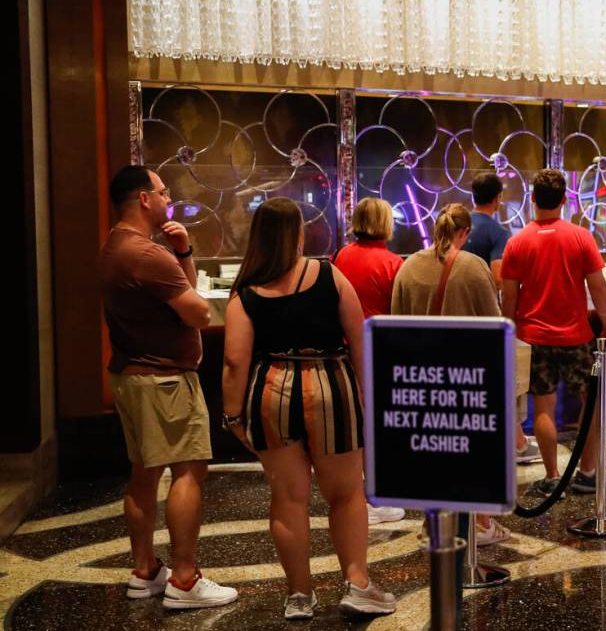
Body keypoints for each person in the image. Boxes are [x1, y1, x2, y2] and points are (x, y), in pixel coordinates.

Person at [221, 198, 396, 620]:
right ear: (297, 233)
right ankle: (356, 584)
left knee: (288, 499)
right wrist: (368, 401)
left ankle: (299, 596)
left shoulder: (245, 293)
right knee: (346, 493)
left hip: (271, 391)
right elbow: (360, 340)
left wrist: (232, 416)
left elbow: (234, 362)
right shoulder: (327, 274)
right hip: (330, 383)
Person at [101, 165, 238, 609]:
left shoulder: (115, 245)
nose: (168, 200)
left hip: (131, 375)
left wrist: (183, 250)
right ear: (143, 199)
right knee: (188, 471)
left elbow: (185, 295)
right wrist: (175, 257)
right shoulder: (146, 254)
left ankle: (145, 571)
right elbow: (199, 313)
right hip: (164, 382)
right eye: (163, 192)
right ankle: (183, 580)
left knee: (143, 473)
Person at [391, 203, 512, 546]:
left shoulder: (408, 267)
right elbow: (495, 325)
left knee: (432, 453)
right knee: (475, 452)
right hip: (468, 377)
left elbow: (395, 324)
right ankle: (482, 524)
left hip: (420, 379)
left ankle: (436, 520)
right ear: (464, 233)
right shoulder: (473, 267)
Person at [501, 169, 606, 497]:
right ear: (565, 198)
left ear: (533, 198)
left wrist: (508, 331)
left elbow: (509, 296)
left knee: (543, 407)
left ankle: (553, 476)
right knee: (592, 401)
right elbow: (598, 286)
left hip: (533, 335)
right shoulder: (580, 237)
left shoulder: (518, 242)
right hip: (576, 335)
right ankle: (586, 472)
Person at [332, 197, 407, 526]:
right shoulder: (393, 263)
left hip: (343, 350)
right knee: (378, 424)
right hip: (379, 349)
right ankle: (375, 497)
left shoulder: (339, 256)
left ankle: (354, 494)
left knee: (356, 423)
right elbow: (400, 312)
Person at [462, 172, 541, 465]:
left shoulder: (460, 226)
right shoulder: (497, 232)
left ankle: (513, 440)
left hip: (454, 314)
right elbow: (498, 276)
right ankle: (516, 443)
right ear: (497, 199)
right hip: (483, 315)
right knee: (498, 379)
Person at [333, 197, 404, 319]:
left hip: (341, 334)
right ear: (385, 223)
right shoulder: (394, 263)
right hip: (376, 334)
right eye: (392, 220)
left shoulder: (338, 255)